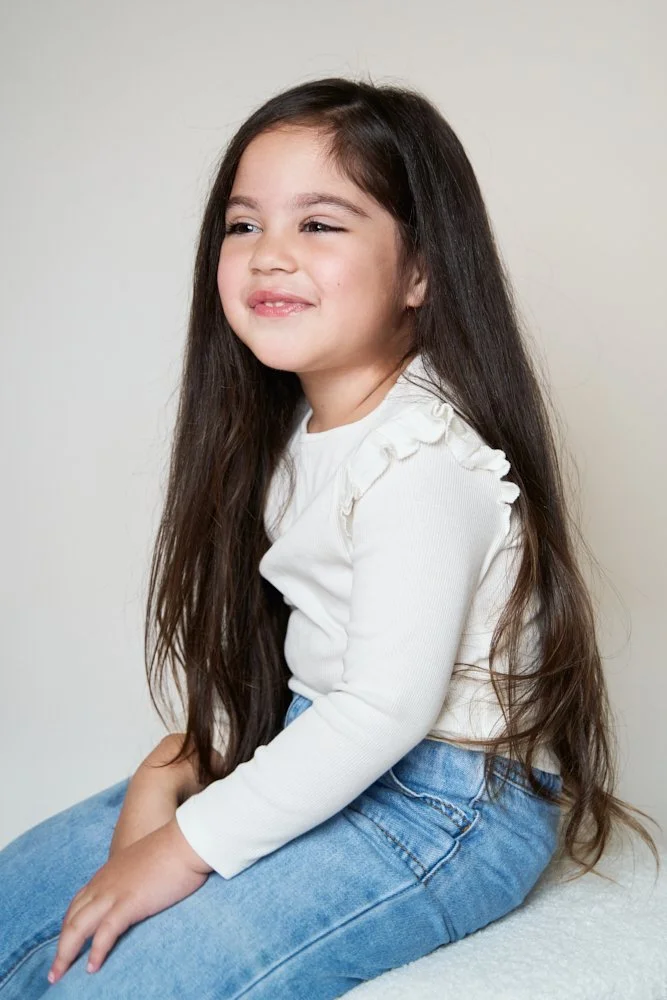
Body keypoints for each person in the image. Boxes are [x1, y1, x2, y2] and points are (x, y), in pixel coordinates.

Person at [0, 75, 660, 1000]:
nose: (269, 255)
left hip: (444, 806)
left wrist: (183, 848)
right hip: (320, 744)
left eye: (318, 223)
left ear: (419, 273)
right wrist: (188, 759)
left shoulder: (418, 459)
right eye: (243, 225)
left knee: (113, 980)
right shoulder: (294, 435)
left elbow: (382, 709)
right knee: (19, 907)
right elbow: (310, 653)